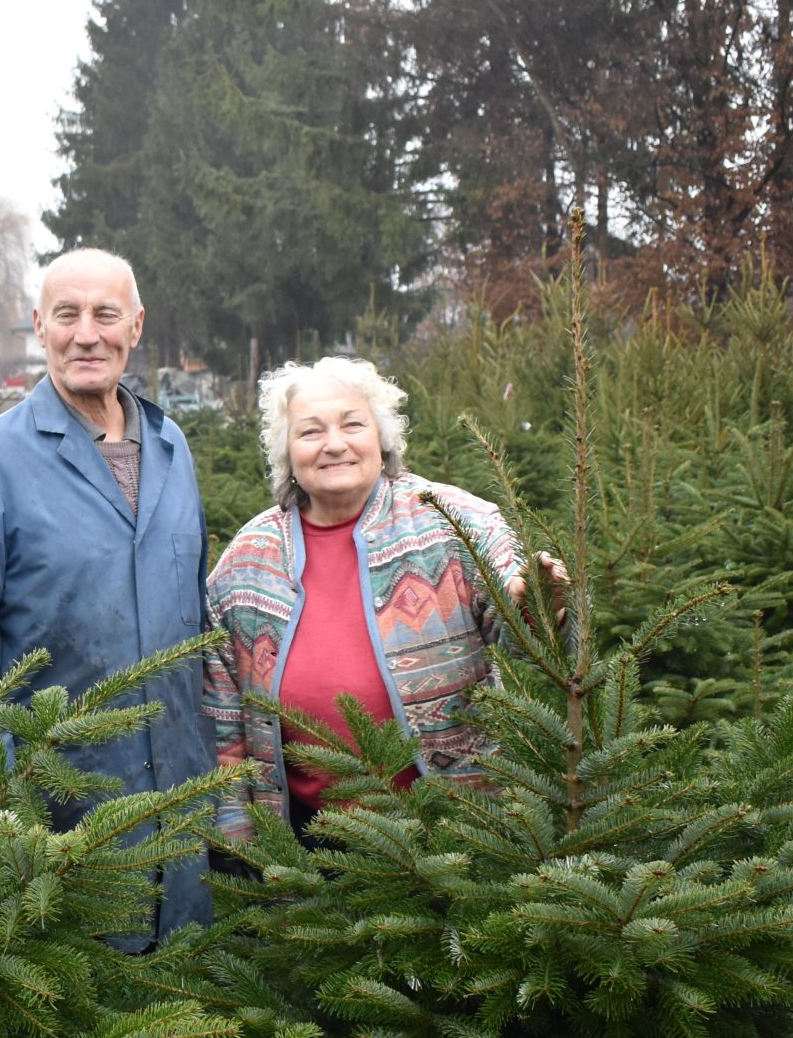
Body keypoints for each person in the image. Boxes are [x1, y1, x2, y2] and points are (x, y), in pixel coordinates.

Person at [0, 248, 215, 942]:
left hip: (182, 824)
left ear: (135, 327)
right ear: (38, 326)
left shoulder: (173, 450)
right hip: (62, 831)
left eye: (105, 314)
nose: (88, 334)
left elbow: (197, 625)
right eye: (67, 315)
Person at [204, 355, 555, 845]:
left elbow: (517, 609)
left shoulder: (449, 519)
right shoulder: (247, 562)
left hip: (457, 836)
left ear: (381, 438)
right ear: (287, 451)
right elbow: (224, 719)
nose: (334, 444)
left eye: (353, 424)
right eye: (310, 432)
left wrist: (532, 599)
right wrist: (239, 842)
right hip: (308, 847)